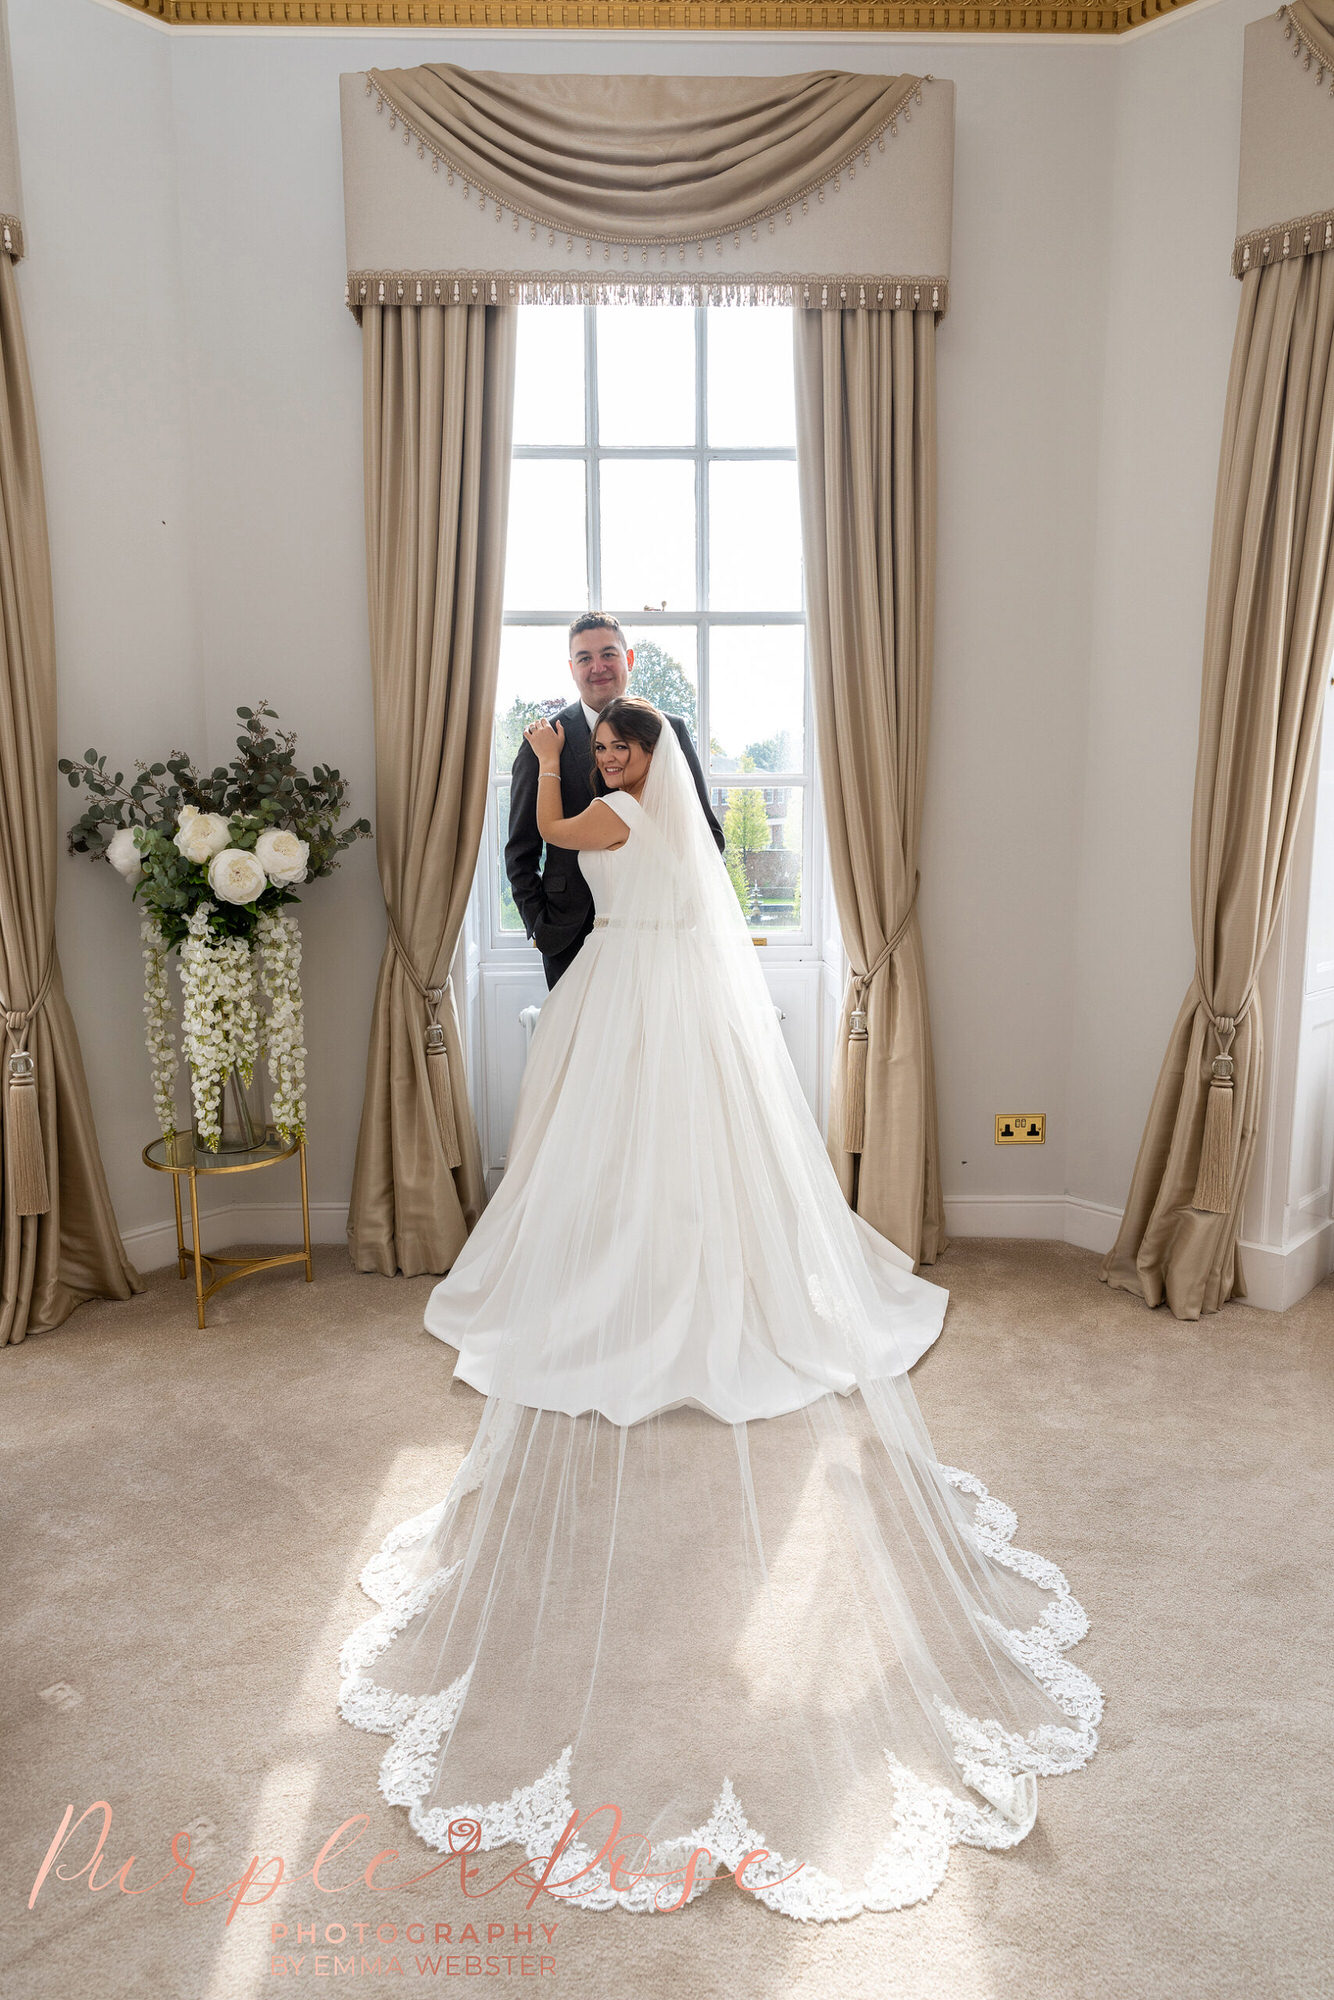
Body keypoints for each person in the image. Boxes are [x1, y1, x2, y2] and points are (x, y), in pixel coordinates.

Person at [338, 699, 1102, 1921]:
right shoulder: (651, 813)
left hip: (631, 991)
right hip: (638, 986)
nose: (619, 757)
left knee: (650, 1156)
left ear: (648, 757)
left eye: (629, 744)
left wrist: (545, 763)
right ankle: (635, 1269)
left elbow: (545, 827)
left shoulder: (615, 805)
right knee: (625, 1162)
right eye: (612, 745)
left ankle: (664, 1287)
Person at [505, 613, 723, 987]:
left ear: (629, 659)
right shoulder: (542, 744)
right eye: (585, 658)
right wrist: (539, 924)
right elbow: (520, 851)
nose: (598, 667)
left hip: (657, 941)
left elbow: (708, 837)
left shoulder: (670, 733)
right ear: (572, 668)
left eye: (608, 654)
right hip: (568, 936)